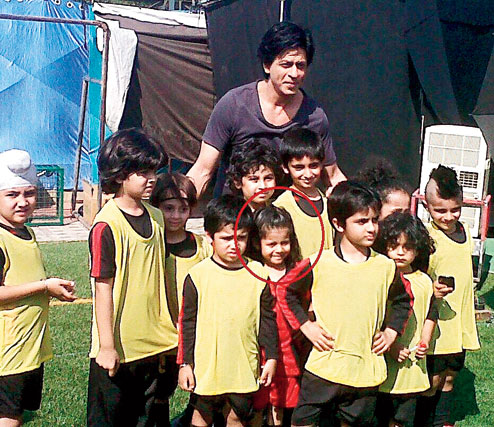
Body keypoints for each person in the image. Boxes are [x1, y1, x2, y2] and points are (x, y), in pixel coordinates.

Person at [278, 181, 413, 427]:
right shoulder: (318, 263)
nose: (371, 228)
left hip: (364, 371)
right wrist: (306, 326)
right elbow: (286, 292)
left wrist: (391, 332)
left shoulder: (386, 267)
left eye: (374, 220)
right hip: (323, 367)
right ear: (338, 224)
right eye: (361, 222)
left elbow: (404, 300)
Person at [186, 21, 345, 198]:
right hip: (234, 211)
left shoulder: (314, 117)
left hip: (282, 213)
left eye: (300, 65)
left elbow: (332, 177)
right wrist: (177, 205)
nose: (294, 74)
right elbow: (203, 170)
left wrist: (360, 205)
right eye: (286, 64)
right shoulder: (234, 105)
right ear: (267, 65)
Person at [87, 129, 178, 426]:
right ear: (119, 174)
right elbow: (102, 288)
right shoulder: (106, 224)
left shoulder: (157, 217)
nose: (151, 179)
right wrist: (106, 346)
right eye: (143, 172)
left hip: (157, 344)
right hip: (119, 349)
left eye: (154, 171)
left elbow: (164, 276)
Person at [177, 195, 278, 427]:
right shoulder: (197, 276)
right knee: (201, 416)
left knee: (236, 416)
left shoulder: (259, 275)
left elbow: (268, 321)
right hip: (206, 367)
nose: (234, 245)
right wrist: (185, 364)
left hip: (243, 365)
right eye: (225, 238)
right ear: (209, 237)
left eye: (241, 238)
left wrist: (271, 357)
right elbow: (187, 324)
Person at [0, 149, 76, 426]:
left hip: (28, 349)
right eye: (12, 195)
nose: (22, 202)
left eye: (29, 193)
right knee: (8, 417)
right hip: (7, 353)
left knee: (17, 414)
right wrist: (44, 286)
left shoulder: (25, 232)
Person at [415, 165, 480, 427]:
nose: (449, 216)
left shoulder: (464, 230)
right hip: (436, 321)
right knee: (433, 378)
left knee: (451, 375)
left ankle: (443, 421)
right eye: (440, 210)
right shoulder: (425, 237)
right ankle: (423, 420)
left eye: (455, 209)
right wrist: (430, 288)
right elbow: (415, 277)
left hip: (459, 320)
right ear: (427, 206)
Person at [373, 212, 437, 427]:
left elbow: (430, 314)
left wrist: (425, 342)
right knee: (380, 417)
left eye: (407, 247)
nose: (400, 252)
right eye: (394, 246)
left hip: (413, 367)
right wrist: (391, 345)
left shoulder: (424, 281)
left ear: (417, 249)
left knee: (403, 418)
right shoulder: (380, 279)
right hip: (383, 365)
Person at [251, 206, 309, 426]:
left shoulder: (297, 273)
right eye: (271, 244)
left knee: (281, 405)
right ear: (258, 243)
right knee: (256, 405)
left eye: (284, 243)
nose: (279, 249)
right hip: (259, 351)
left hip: (289, 353)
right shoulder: (253, 272)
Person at [273, 128, 333, 258]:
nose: (308, 174)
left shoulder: (329, 202)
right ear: (285, 167)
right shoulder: (281, 206)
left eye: (313, 166)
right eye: (299, 167)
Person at [226, 141, 283, 211]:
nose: (263, 186)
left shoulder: (281, 209)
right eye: (254, 179)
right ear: (238, 182)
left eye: (268, 178)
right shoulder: (228, 214)